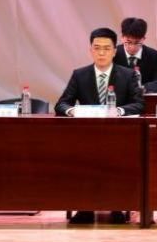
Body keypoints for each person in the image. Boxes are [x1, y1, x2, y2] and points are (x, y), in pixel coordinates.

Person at [55, 27, 145, 225]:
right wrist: (72, 111)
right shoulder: (80, 75)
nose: (102, 53)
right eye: (97, 48)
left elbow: (139, 104)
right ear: (91, 50)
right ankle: (84, 208)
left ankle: (117, 206)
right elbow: (61, 104)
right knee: (81, 157)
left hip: (118, 137)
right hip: (87, 136)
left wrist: (119, 111)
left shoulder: (127, 75)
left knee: (119, 158)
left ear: (114, 51)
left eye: (106, 48)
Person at [114, 17, 157, 91]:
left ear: (143, 39)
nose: (132, 47)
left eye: (137, 43)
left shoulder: (154, 56)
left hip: (144, 96)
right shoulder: (113, 54)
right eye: (128, 42)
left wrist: (143, 88)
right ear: (122, 37)